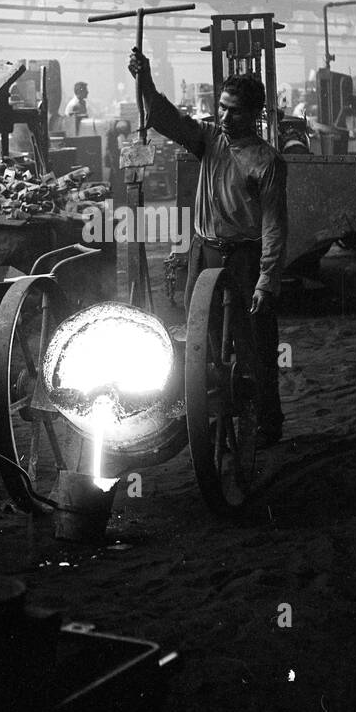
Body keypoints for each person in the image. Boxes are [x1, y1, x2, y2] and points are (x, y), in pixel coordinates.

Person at [128, 50, 287, 445]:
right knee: (204, 343)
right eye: (221, 107)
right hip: (205, 253)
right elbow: (166, 118)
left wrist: (267, 280)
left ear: (255, 115)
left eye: (234, 111)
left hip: (246, 260)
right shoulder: (208, 140)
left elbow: (273, 226)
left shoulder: (266, 162)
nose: (225, 117)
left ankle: (267, 421)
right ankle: (213, 412)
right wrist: (144, 80)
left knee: (255, 346)